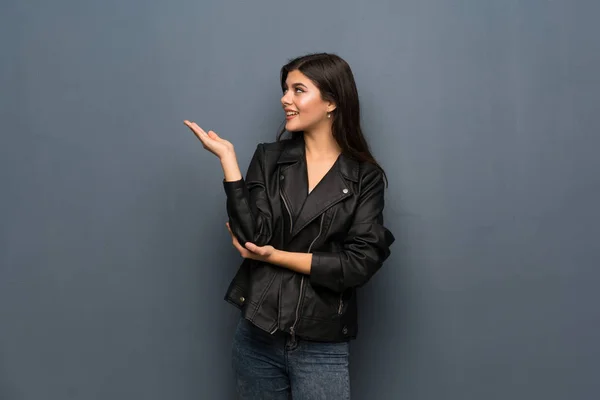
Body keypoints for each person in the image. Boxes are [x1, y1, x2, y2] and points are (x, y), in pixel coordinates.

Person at [184, 53, 395, 399]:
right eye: (285, 89)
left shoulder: (364, 178)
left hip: (321, 345)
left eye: (298, 90)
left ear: (331, 102)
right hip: (256, 337)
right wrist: (229, 164)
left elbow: (357, 264)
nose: (285, 99)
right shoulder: (269, 158)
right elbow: (253, 239)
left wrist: (275, 256)